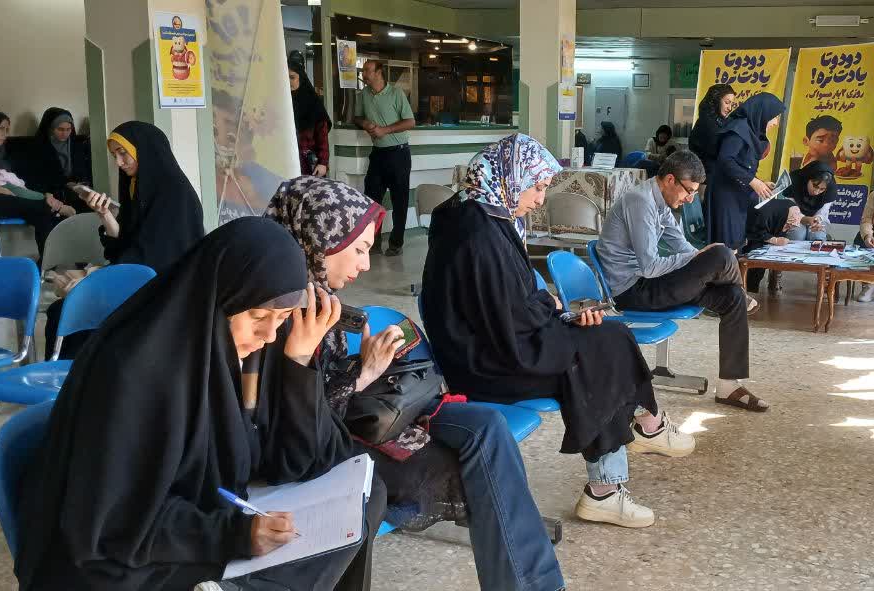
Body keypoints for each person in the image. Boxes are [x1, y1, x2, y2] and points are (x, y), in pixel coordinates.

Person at [14, 217, 387, 591]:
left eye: (284, 318)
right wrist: (233, 535)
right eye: (258, 316)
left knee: (362, 507)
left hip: (201, 520)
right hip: (130, 558)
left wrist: (298, 362)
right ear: (220, 298)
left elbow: (303, 459)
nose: (269, 334)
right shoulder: (135, 370)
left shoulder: (246, 347)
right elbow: (116, 520)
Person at [265, 176, 565, 590]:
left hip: (375, 407)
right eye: (358, 250)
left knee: (488, 426)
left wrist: (370, 363)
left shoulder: (319, 300)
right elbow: (298, 424)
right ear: (320, 240)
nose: (365, 265)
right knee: (467, 462)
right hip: (343, 429)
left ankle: (536, 585)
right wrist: (363, 372)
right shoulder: (274, 315)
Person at [421, 134, 694, 529]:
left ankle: (633, 441)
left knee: (609, 340)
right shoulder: (477, 233)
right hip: (487, 361)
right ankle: (622, 461)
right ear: (510, 178)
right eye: (537, 187)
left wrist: (554, 310)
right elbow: (507, 315)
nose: (540, 200)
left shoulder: (483, 213)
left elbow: (509, 300)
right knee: (601, 354)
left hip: (496, 341)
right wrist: (557, 314)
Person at [597, 150, 768, 412]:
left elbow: (683, 247)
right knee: (721, 254)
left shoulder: (661, 202)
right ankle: (741, 294)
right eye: (688, 191)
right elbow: (650, 267)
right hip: (633, 290)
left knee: (731, 296)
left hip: (652, 282)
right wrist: (703, 258)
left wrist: (700, 259)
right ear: (669, 180)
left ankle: (729, 387)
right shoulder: (640, 201)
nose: (690, 199)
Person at [44, 121, 206, 360]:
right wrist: (104, 214)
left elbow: (154, 258)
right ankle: (70, 379)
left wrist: (92, 278)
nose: (119, 162)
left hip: (165, 291)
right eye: (115, 156)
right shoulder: (138, 185)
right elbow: (124, 245)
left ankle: (79, 379)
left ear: (144, 150)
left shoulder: (175, 194)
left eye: (123, 153)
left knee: (71, 310)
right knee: (63, 309)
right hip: (139, 279)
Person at [0, 111, 68, 257]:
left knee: (43, 209)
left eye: (7, 130)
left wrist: (46, 194)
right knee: (43, 208)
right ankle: (48, 262)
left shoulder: (6, 153)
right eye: (0, 128)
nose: (4, 134)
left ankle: (48, 262)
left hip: (13, 195)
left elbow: (21, 182)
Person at [353, 59, 415, 256]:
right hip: (378, 154)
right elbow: (356, 117)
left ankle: (396, 244)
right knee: (372, 200)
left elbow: (410, 121)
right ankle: (374, 243)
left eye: (367, 70)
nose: (364, 74)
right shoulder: (363, 95)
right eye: (363, 71)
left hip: (399, 154)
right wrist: (364, 123)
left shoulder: (396, 94)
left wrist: (384, 130)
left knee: (399, 201)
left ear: (379, 72)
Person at [707, 93, 785, 251]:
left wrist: (760, 183)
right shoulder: (738, 128)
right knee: (727, 245)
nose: (776, 123)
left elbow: (741, 164)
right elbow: (726, 160)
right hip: (726, 195)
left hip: (737, 193)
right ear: (763, 113)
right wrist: (753, 181)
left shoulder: (749, 130)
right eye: (774, 117)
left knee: (737, 242)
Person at [17, 107, 94, 211]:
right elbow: (37, 177)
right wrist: (66, 183)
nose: (65, 134)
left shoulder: (76, 146)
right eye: (60, 129)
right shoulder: (38, 148)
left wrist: (80, 184)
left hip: (77, 192)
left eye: (68, 129)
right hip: (53, 194)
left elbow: (83, 171)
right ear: (51, 128)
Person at [742, 198, 802, 294]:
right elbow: (754, 231)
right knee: (756, 264)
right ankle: (747, 292)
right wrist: (774, 240)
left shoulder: (788, 209)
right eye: (788, 225)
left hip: (765, 235)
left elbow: (782, 226)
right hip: (749, 240)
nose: (787, 228)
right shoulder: (764, 214)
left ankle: (770, 282)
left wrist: (777, 238)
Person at [289, 61, 331, 177]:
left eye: (292, 77)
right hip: (284, 162)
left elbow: (322, 136)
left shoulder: (313, 103)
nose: (288, 81)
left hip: (308, 164)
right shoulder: (279, 102)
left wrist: (323, 163)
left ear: (301, 79)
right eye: (284, 77)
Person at [687, 83, 736, 178]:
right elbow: (721, 153)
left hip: (709, 175)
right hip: (705, 177)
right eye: (727, 102)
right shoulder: (708, 124)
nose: (730, 108)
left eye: (731, 104)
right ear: (716, 101)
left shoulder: (716, 121)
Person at [783, 159, 838, 242]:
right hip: (793, 218)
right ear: (808, 178)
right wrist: (805, 219)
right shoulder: (794, 182)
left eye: (822, 189)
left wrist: (817, 220)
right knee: (798, 234)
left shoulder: (830, 190)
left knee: (817, 235)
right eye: (815, 185)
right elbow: (791, 209)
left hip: (816, 219)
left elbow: (823, 212)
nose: (816, 192)